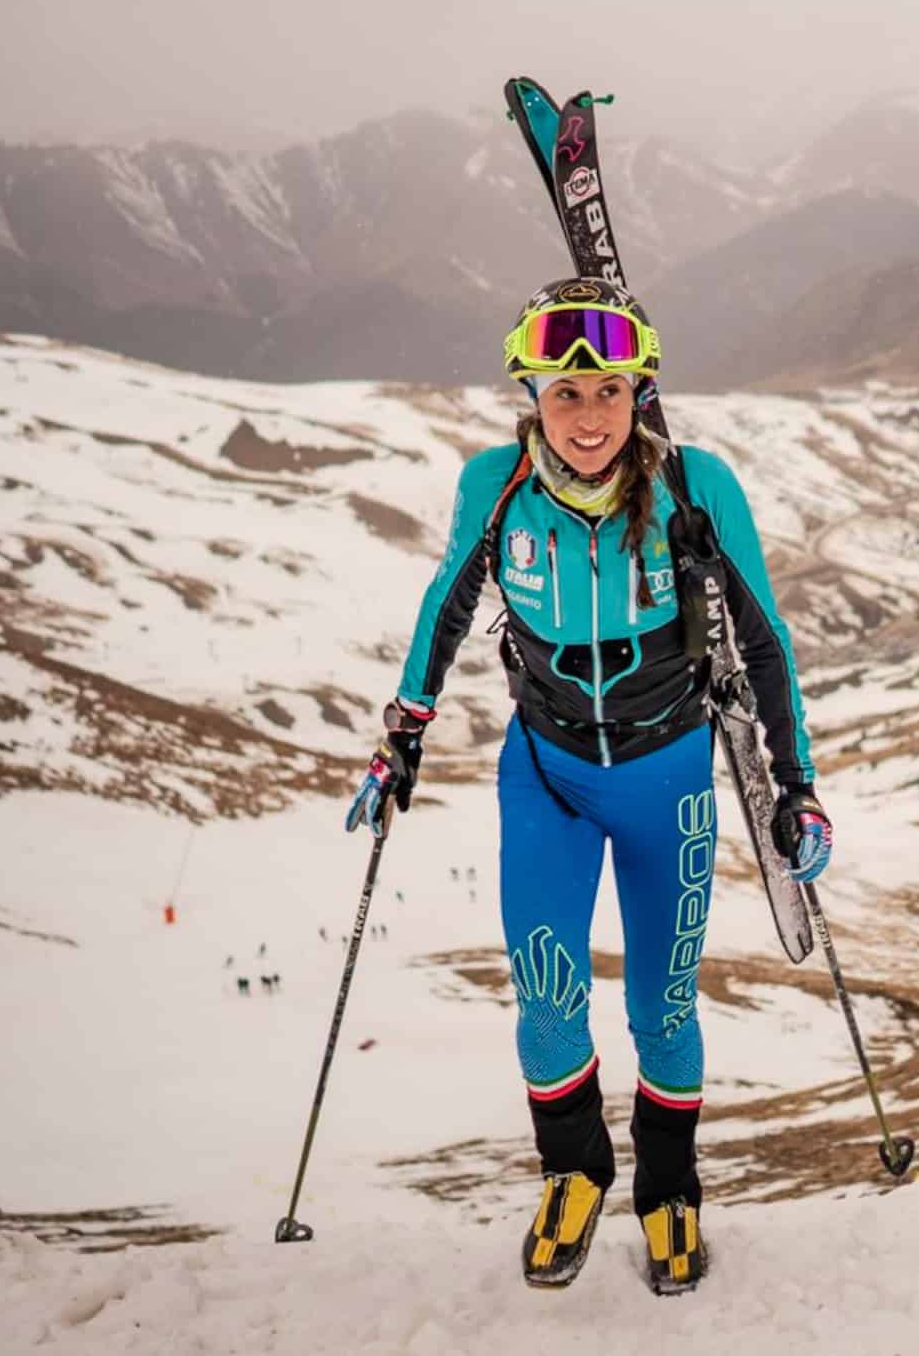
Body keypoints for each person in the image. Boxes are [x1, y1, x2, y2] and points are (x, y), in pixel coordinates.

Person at [344, 277, 832, 1295]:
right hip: (547, 778)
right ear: (530, 394)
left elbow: (766, 642)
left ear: (638, 390)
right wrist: (403, 732)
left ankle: (667, 1190)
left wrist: (797, 786)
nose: (587, 416)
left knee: (662, 1007)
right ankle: (573, 1172)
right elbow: (445, 604)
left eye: (607, 390)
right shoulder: (495, 484)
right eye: (564, 395)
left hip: (669, 782)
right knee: (548, 995)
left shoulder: (698, 489)